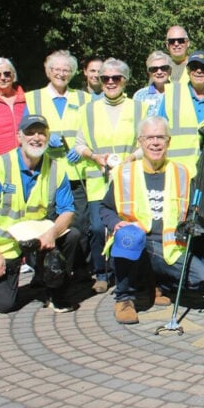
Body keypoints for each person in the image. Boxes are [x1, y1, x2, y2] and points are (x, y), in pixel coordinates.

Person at [99, 116, 204, 324]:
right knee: (128, 236)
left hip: (168, 246)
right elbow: (105, 208)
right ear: (140, 141)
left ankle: (157, 283)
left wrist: (191, 221)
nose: (155, 142)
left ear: (168, 142)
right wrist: (116, 223)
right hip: (136, 240)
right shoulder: (124, 173)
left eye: (160, 137)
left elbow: (192, 210)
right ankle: (124, 299)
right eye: (150, 137)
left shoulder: (182, 172)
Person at [0, 115, 81, 313]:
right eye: (30, 132)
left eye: (42, 133)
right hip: (6, 243)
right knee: (5, 304)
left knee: (72, 235)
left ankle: (55, 291)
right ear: (19, 137)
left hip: (38, 237)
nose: (36, 137)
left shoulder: (57, 168)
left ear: (48, 137)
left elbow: (68, 211)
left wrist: (52, 234)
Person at [75, 58, 143, 293]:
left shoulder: (137, 107)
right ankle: (101, 272)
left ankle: (123, 271)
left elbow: (146, 144)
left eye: (116, 78)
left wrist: (131, 158)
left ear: (125, 80)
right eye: (106, 78)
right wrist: (93, 156)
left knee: (124, 225)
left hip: (127, 179)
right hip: (98, 179)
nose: (111, 82)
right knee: (96, 228)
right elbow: (78, 145)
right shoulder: (88, 110)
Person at [23, 50, 94, 244]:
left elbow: (94, 131)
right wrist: (46, 140)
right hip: (46, 171)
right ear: (48, 71)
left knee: (80, 222)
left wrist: (82, 148)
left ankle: (79, 270)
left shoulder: (84, 98)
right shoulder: (32, 98)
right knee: (48, 220)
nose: (61, 74)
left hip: (76, 171)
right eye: (56, 69)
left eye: (67, 70)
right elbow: (24, 135)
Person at [158, 50, 204, 174]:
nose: (199, 71)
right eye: (194, 66)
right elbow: (158, 131)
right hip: (176, 170)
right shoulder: (172, 94)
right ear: (187, 70)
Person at [133, 51, 173, 117]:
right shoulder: (140, 95)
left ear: (170, 70)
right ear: (149, 72)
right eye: (154, 69)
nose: (159, 72)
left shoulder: (179, 94)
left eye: (164, 68)